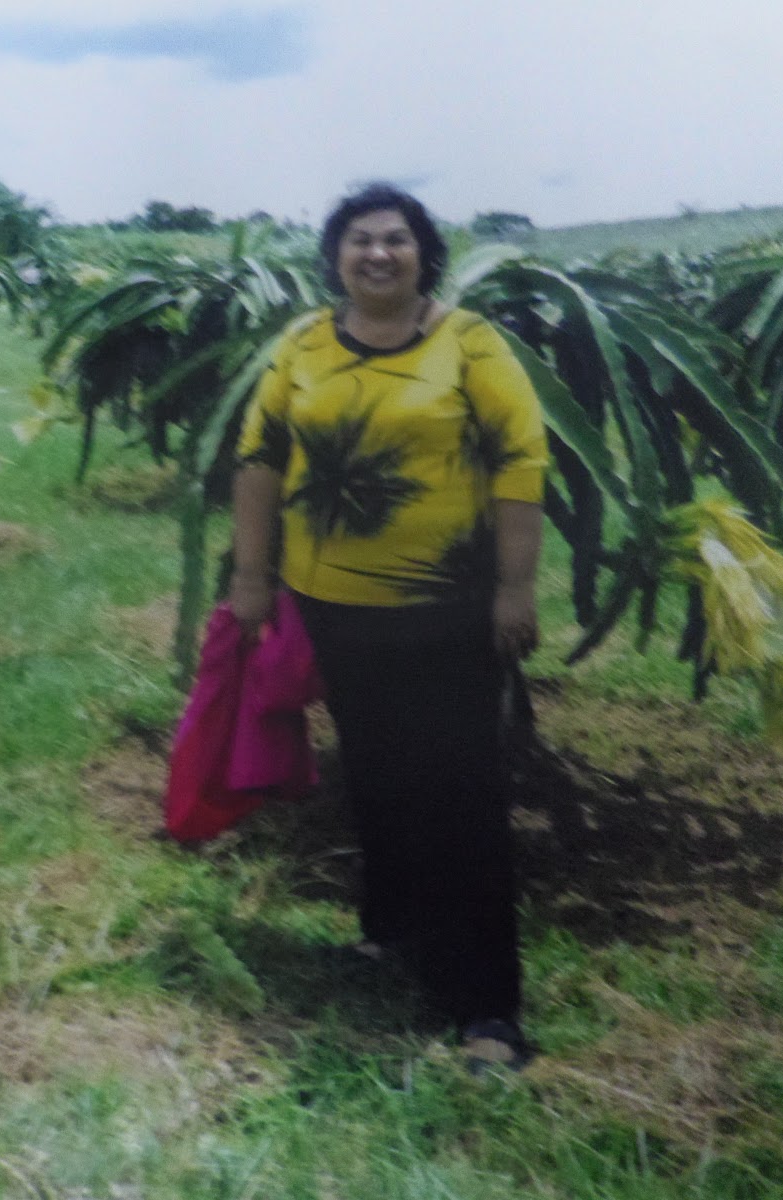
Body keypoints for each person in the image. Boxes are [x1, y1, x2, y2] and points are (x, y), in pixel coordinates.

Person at [228, 183, 547, 1071]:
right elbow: (258, 458)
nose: (378, 254)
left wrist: (515, 587)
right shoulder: (300, 346)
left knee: (463, 797)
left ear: (423, 255)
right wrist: (251, 577)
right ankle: (392, 933)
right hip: (333, 606)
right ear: (335, 257)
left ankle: (489, 1009)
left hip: (446, 609)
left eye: (395, 240)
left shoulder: (470, 343)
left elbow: (522, 457)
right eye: (360, 240)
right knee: (373, 774)